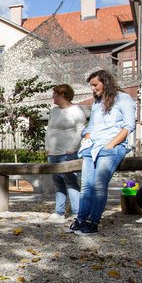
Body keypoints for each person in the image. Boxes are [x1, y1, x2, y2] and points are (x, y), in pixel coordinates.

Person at [66, 70, 136, 235]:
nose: (92, 88)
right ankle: (81, 219)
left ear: (106, 82)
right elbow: (91, 126)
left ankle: (93, 222)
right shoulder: (97, 103)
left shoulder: (123, 99)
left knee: (98, 185)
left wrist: (111, 144)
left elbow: (129, 125)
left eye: (95, 85)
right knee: (86, 186)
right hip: (92, 147)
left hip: (112, 146)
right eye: (90, 85)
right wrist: (88, 138)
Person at [45, 84, 87, 220]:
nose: (53, 97)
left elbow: (81, 130)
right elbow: (49, 129)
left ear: (63, 95)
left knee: (71, 181)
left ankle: (76, 212)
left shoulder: (77, 110)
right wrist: (47, 146)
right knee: (58, 182)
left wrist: (73, 148)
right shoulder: (54, 111)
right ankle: (59, 211)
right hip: (53, 153)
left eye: (55, 95)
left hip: (67, 153)